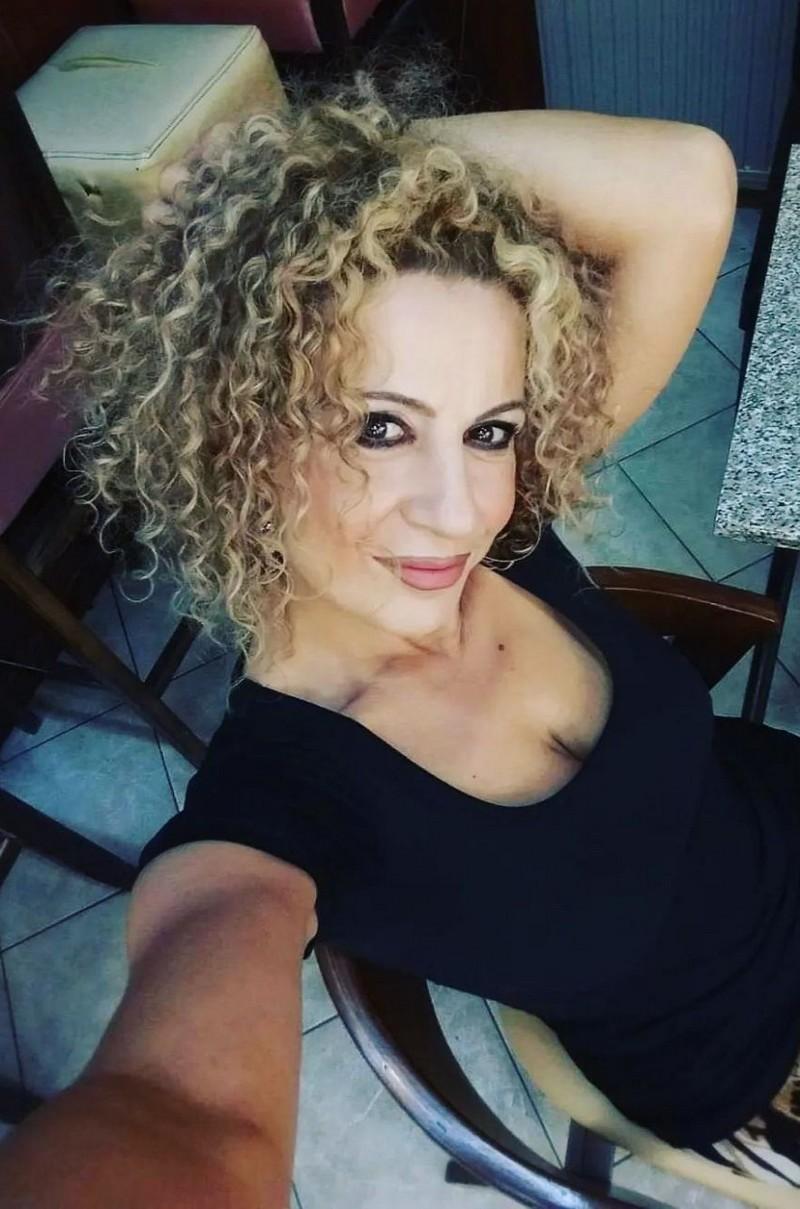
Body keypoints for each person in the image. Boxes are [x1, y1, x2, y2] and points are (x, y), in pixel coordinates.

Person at [2, 45, 799, 1209]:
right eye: (377, 427)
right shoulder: (276, 818)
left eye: (488, 430)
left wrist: (321, 184)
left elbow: (682, 183)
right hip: (742, 1059)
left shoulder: (505, 527)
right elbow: (185, 1118)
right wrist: (280, 217)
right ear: (231, 434)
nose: (459, 510)